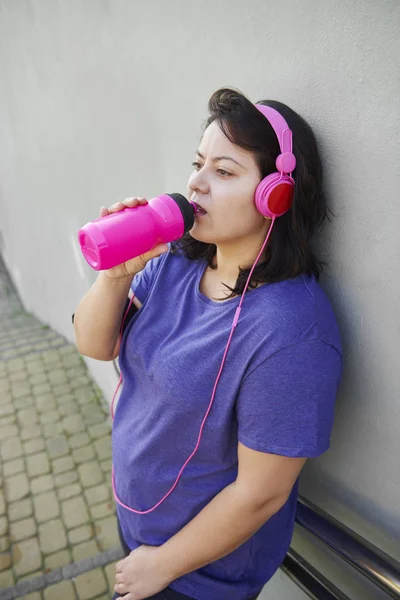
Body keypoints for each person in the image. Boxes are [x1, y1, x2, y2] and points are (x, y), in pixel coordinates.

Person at [73, 87, 342, 600]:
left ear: (275, 196)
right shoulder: (178, 260)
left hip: (195, 574)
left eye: (223, 172)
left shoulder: (291, 331)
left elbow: (261, 493)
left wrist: (162, 566)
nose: (195, 184)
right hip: (140, 525)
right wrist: (115, 276)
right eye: (198, 164)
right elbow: (95, 344)